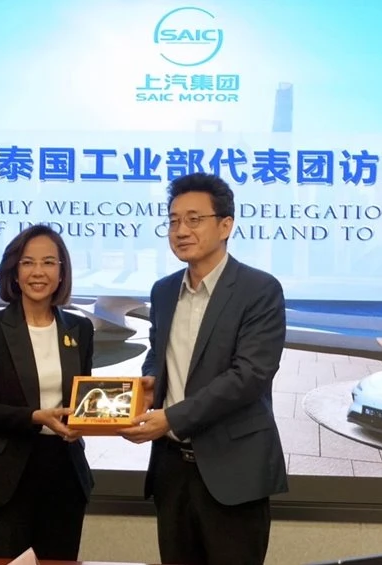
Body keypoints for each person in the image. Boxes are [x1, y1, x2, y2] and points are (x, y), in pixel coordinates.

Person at [118, 172, 289, 565]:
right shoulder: (164, 291)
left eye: (194, 219)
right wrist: (151, 381)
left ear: (225, 225)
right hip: (172, 471)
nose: (181, 230)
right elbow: (158, 352)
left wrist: (171, 417)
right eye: (174, 220)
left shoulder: (259, 290)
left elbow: (249, 376)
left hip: (233, 471)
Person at [0, 224, 94, 560]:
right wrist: (35, 416)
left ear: (62, 272)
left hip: (64, 475)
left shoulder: (81, 328)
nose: (38, 272)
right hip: (4, 477)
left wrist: (93, 419)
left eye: (48, 262)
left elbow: (83, 398)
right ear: (14, 273)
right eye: (28, 263)